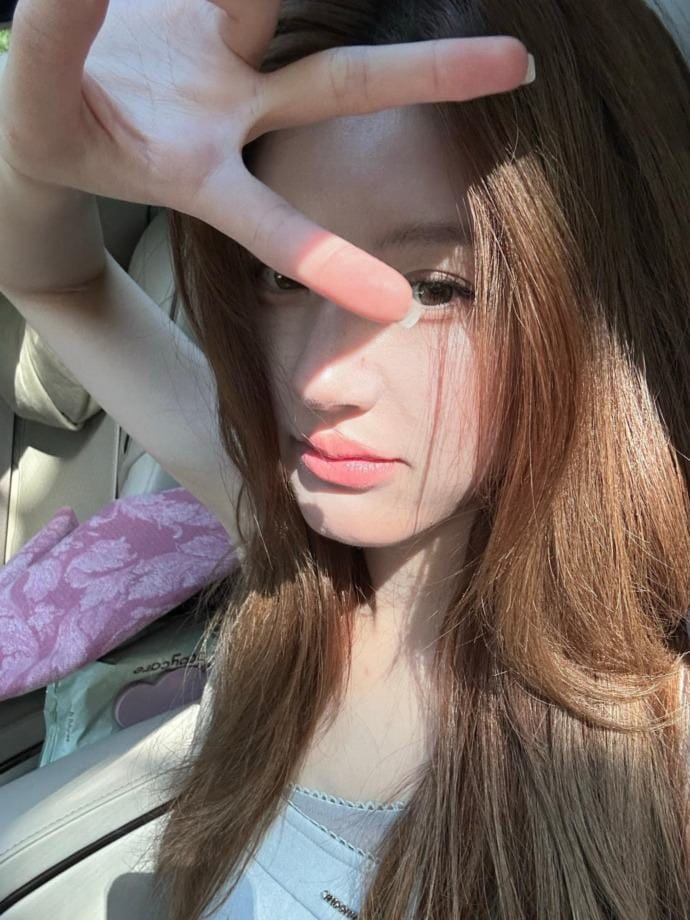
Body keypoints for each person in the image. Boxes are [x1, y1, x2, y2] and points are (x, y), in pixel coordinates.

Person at [0, 0, 688, 918]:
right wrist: (34, 161)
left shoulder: (662, 735)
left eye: (434, 289)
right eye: (282, 276)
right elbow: (54, 277)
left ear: (611, 307)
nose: (318, 380)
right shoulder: (291, 543)